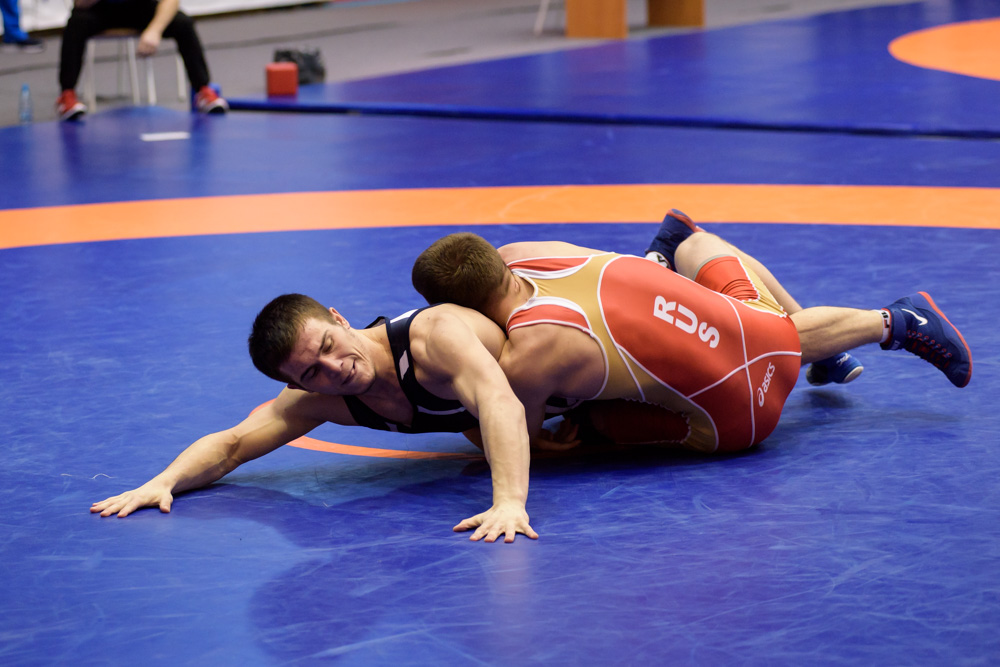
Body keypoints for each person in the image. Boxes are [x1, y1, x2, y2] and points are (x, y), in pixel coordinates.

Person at [410, 219, 972, 484]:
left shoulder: (530, 350)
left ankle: (880, 328)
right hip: (762, 332)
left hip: (740, 420)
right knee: (700, 245)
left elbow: (513, 433)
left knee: (581, 425)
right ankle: (889, 323)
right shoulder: (526, 250)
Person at [91, 296, 541, 543]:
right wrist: (163, 482)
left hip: (574, 372)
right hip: (548, 423)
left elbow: (499, 403)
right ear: (299, 386)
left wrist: (508, 503)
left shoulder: (433, 336)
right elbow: (233, 445)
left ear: (339, 318)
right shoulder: (321, 400)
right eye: (312, 373)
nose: (335, 368)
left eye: (328, 345)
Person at [55, 0, 227, 121]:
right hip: (101, 10)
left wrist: (155, 30)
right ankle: (67, 95)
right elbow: (80, 3)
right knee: (76, 24)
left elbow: (171, 1)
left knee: (183, 24)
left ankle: (203, 90)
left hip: (140, 9)